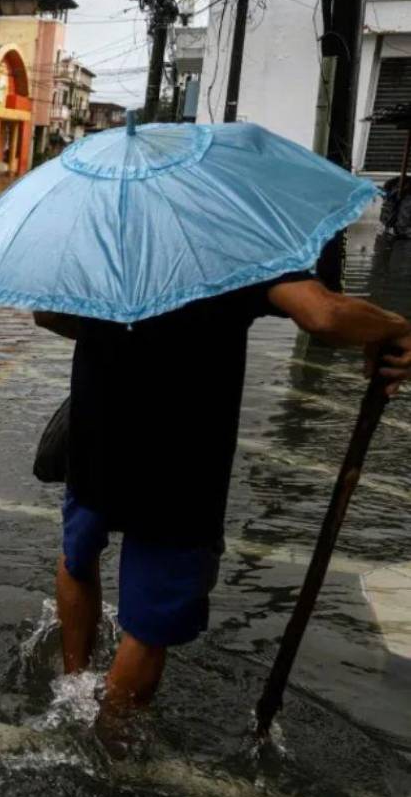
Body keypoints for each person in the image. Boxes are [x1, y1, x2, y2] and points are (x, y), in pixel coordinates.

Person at [34, 274, 411, 715]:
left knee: (78, 557)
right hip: (183, 462)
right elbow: (323, 313)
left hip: (96, 431)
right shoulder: (233, 231)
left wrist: (126, 328)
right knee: (149, 625)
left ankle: (73, 686)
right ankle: (108, 744)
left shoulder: (102, 228)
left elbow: (48, 314)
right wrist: (397, 327)